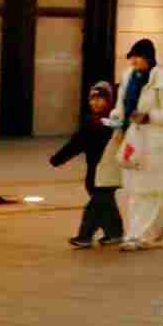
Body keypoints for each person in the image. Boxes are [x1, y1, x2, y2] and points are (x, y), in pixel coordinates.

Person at [108, 39, 163, 250]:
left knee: (151, 191)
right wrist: (116, 118)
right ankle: (142, 231)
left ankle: (138, 235)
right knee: (137, 190)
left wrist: (149, 117)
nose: (133, 62)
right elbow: (121, 106)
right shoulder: (129, 78)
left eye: (137, 58)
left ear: (148, 58)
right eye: (131, 58)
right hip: (134, 140)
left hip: (158, 143)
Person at [50, 82, 124, 248]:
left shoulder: (112, 122)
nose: (95, 103)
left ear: (109, 101)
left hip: (107, 169)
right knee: (105, 203)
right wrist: (58, 159)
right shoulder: (91, 121)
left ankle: (85, 236)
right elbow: (76, 143)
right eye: (93, 99)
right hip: (94, 169)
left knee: (96, 204)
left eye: (100, 99)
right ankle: (115, 232)